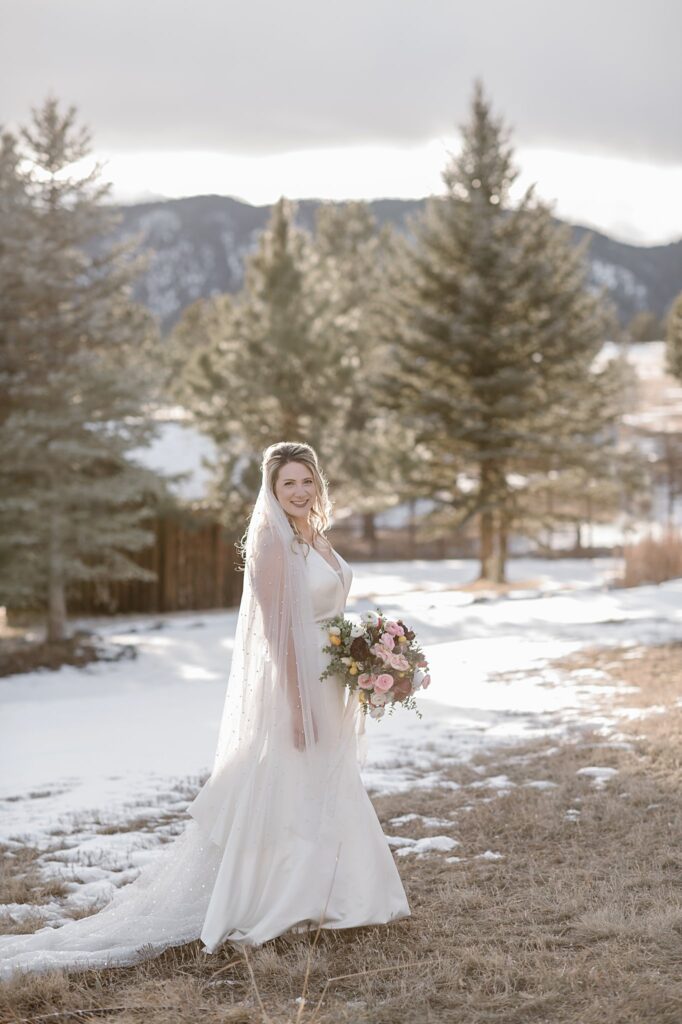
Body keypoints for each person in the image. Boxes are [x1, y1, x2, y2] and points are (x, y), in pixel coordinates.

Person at [0, 441, 410, 978]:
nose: (299, 491)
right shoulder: (271, 541)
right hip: (298, 680)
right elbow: (275, 632)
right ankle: (279, 899)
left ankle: (338, 894)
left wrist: (368, 652)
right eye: (288, 483)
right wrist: (296, 704)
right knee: (289, 780)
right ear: (271, 488)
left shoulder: (314, 534)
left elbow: (327, 609)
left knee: (327, 780)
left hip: (330, 674)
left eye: (306, 481)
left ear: (318, 484)